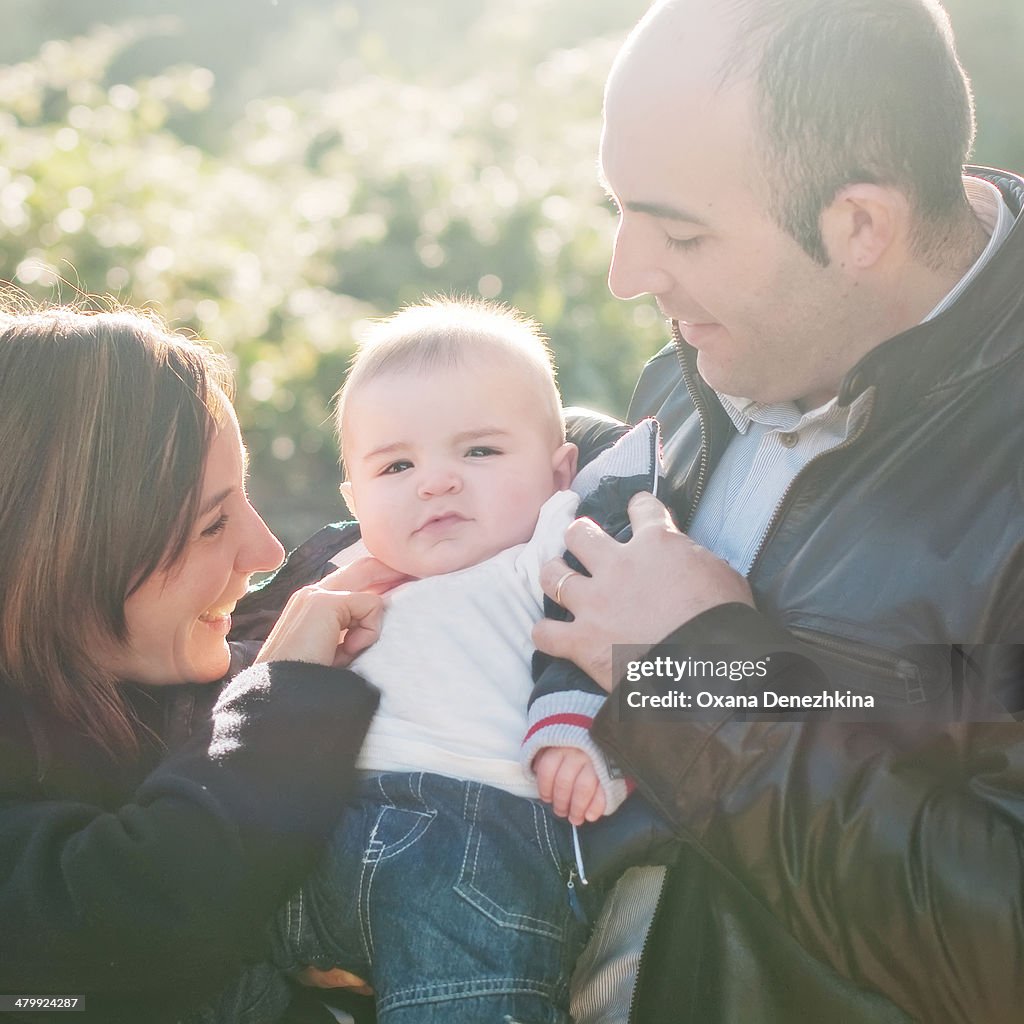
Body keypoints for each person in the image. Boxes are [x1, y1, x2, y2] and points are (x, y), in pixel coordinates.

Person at [527, 1, 1024, 1022]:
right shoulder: (701, 360)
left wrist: (695, 672)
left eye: (681, 232)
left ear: (858, 226)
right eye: (616, 210)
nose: (626, 275)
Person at [207, 297, 661, 1024]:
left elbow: (634, 642)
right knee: (195, 963)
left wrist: (589, 736)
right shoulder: (348, 566)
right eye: (397, 465)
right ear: (356, 499)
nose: (435, 481)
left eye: (479, 451)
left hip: (472, 850)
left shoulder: (552, 547)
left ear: (559, 470)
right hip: (316, 835)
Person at [0, 305, 404, 1024]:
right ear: (56, 555)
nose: (266, 550)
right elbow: (129, 913)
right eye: (212, 523)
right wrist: (279, 701)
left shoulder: (200, 665)